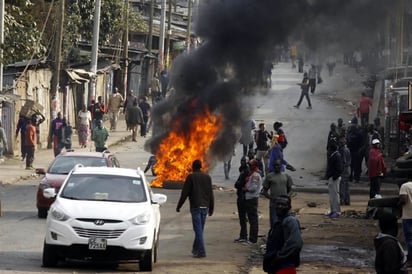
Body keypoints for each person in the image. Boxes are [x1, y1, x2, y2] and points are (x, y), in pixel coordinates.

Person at [176, 159, 214, 258]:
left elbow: (185, 193)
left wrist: (179, 206)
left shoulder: (191, 177)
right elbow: (211, 194)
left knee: (198, 230)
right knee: (199, 230)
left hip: (196, 207)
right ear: (201, 167)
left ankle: (202, 251)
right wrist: (211, 208)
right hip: (205, 207)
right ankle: (195, 249)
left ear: (193, 167)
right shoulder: (207, 177)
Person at [263, 195, 303, 274]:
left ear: (289, 207)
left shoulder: (290, 221)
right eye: (278, 204)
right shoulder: (279, 222)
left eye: (283, 204)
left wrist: (279, 257)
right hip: (277, 268)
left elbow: (296, 243)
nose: (280, 206)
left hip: (285, 268)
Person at [261, 159, 293, 226]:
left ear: (281, 166)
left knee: (285, 222)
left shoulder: (286, 176)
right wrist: (272, 198)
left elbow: (291, 190)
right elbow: (264, 191)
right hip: (274, 205)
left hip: (285, 205)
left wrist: (287, 197)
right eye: (275, 165)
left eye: (278, 165)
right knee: (274, 223)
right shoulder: (269, 176)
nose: (276, 167)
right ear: (273, 166)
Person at [243, 159, 263, 244]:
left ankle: (253, 239)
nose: (249, 167)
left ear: (254, 166)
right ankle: (251, 238)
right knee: (251, 219)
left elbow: (253, 188)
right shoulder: (253, 174)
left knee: (253, 220)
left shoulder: (255, 175)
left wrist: (246, 189)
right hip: (250, 198)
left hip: (252, 199)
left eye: (250, 165)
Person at [234, 156, 249, 243]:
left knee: (243, 218)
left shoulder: (245, 172)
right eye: (241, 161)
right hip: (242, 196)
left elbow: (238, 184)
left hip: (242, 197)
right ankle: (243, 235)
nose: (242, 162)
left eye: (243, 161)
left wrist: (237, 184)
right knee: (242, 218)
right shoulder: (244, 171)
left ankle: (244, 236)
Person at [325, 142, 342, 218]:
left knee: (335, 195)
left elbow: (339, 169)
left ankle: (337, 211)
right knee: (332, 196)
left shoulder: (337, 156)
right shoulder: (334, 155)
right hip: (332, 178)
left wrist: (334, 177)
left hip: (334, 178)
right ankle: (333, 210)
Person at [399, 181, 412, 268]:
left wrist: (398, 204)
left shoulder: (405, 186)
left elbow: (403, 199)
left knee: (410, 239)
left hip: (408, 216)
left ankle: (410, 260)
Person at [338, 137, 351, 206]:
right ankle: (347, 200)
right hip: (347, 169)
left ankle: (342, 200)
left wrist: (340, 170)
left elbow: (343, 161)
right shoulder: (347, 149)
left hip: (344, 170)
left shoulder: (343, 150)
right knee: (346, 186)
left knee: (342, 186)